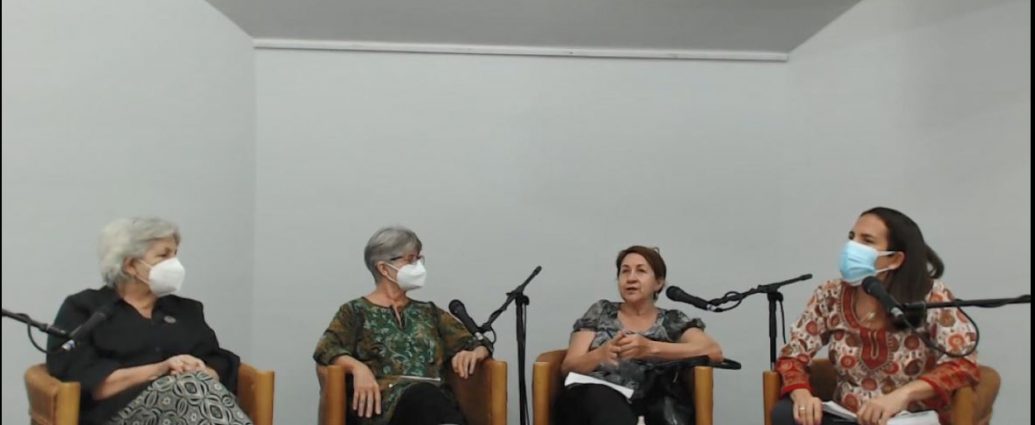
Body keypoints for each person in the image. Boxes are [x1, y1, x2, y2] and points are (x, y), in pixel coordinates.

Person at [772, 207, 999, 425]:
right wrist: (801, 395)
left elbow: (962, 364)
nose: (852, 247)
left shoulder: (931, 296)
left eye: (867, 241)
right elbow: (792, 355)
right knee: (784, 413)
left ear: (894, 259)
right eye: (852, 237)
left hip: (908, 419)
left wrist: (902, 395)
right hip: (847, 418)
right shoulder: (830, 294)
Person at [46, 217, 251, 425]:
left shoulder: (187, 310)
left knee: (195, 384)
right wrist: (161, 369)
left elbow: (218, 359)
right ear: (130, 265)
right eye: (164, 255)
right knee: (189, 387)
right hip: (117, 415)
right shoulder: (85, 309)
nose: (175, 264)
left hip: (193, 409)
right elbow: (82, 378)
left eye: (175, 254)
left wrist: (204, 370)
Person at [313, 226, 493, 425]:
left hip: (433, 406)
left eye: (419, 259)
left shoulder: (430, 313)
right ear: (383, 268)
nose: (418, 266)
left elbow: (479, 343)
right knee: (424, 396)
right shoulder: (355, 311)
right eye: (410, 260)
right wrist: (357, 368)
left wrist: (475, 353)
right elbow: (326, 349)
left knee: (428, 398)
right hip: (381, 409)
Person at [555, 245, 724, 425]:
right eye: (625, 271)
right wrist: (600, 354)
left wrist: (650, 348)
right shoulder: (601, 311)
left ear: (658, 283)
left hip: (647, 404)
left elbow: (713, 351)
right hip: (592, 399)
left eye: (641, 271)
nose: (631, 278)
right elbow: (568, 367)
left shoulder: (672, 320)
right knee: (606, 405)